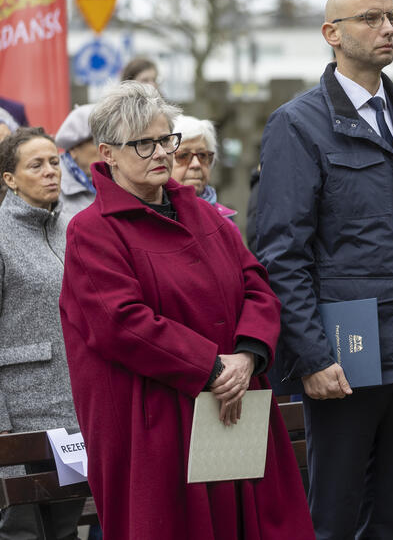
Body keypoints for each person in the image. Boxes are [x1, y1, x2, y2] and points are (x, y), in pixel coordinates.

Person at [255, 0, 393, 539]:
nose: (387, 28)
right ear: (332, 34)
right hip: (346, 359)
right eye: (371, 17)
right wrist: (311, 355)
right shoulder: (298, 124)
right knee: (337, 513)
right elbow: (282, 253)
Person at [57, 82, 315, 540]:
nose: (160, 152)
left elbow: (257, 285)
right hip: (159, 416)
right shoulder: (91, 232)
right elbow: (121, 322)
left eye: (165, 139)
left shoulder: (204, 214)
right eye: (143, 143)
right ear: (108, 153)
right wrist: (210, 366)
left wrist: (248, 354)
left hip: (235, 400)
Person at [0, 128, 83, 539]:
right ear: (9, 179)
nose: (51, 171)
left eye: (54, 162)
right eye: (37, 165)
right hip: (18, 417)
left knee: (65, 528)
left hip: (72, 411)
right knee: (21, 530)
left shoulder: (74, 231)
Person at [169, 115, 238, 225]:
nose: (196, 164)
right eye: (183, 155)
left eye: (203, 155)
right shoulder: (155, 218)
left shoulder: (226, 221)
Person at [55, 104, 98, 219]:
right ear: (73, 149)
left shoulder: (118, 179)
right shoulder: (53, 187)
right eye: (97, 142)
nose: (106, 149)